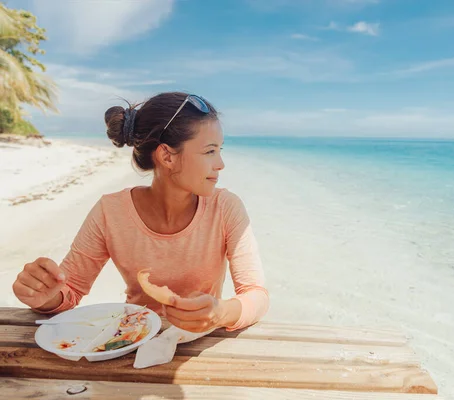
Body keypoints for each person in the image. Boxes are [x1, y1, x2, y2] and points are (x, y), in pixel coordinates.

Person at [12, 92, 269, 333]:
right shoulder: (110, 212)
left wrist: (221, 312)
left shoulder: (225, 208)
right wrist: (44, 297)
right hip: (128, 342)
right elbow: (70, 291)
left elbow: (256, 294)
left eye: (219, 150)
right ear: (167, 156)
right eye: (209, 151)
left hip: (200, 342)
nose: (220, 164)